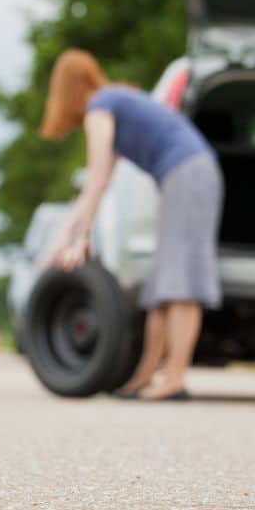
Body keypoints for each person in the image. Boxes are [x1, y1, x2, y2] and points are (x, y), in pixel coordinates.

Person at [38, 48, 223, 401]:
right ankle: (143, 378)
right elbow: (97, 184)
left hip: (188, 175)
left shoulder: (100, 107)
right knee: (160, 286)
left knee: (181, 283)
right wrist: (62, 240)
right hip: (183, 176)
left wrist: (82, 240)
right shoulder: (117, 101)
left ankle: (174, 379)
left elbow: (95, 180)